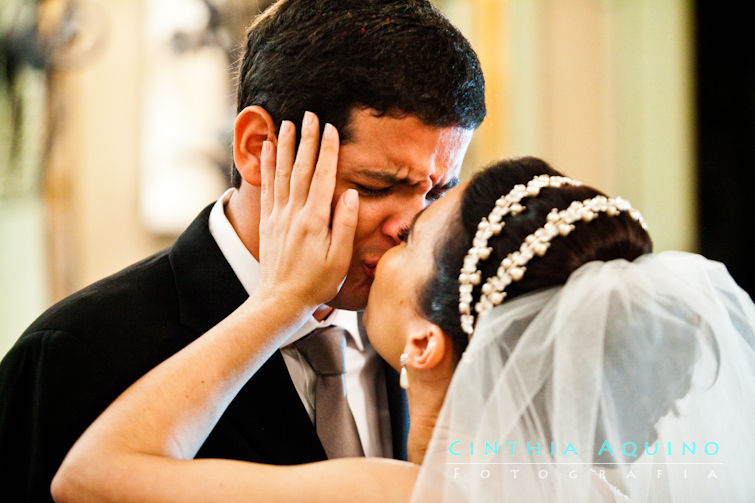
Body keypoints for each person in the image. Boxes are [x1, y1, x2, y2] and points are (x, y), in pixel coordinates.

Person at [51, 125, 755, 502]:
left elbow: (91, 475)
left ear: (424, 341)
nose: (391, 236)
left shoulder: (397, 495)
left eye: (415, 235)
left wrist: (279, 300)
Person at [0, 1, 486, 500]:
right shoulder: (77, 353)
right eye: (377, 185)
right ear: (257, 148)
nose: (410, 225)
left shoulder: (445, 332)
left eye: (436, 192)